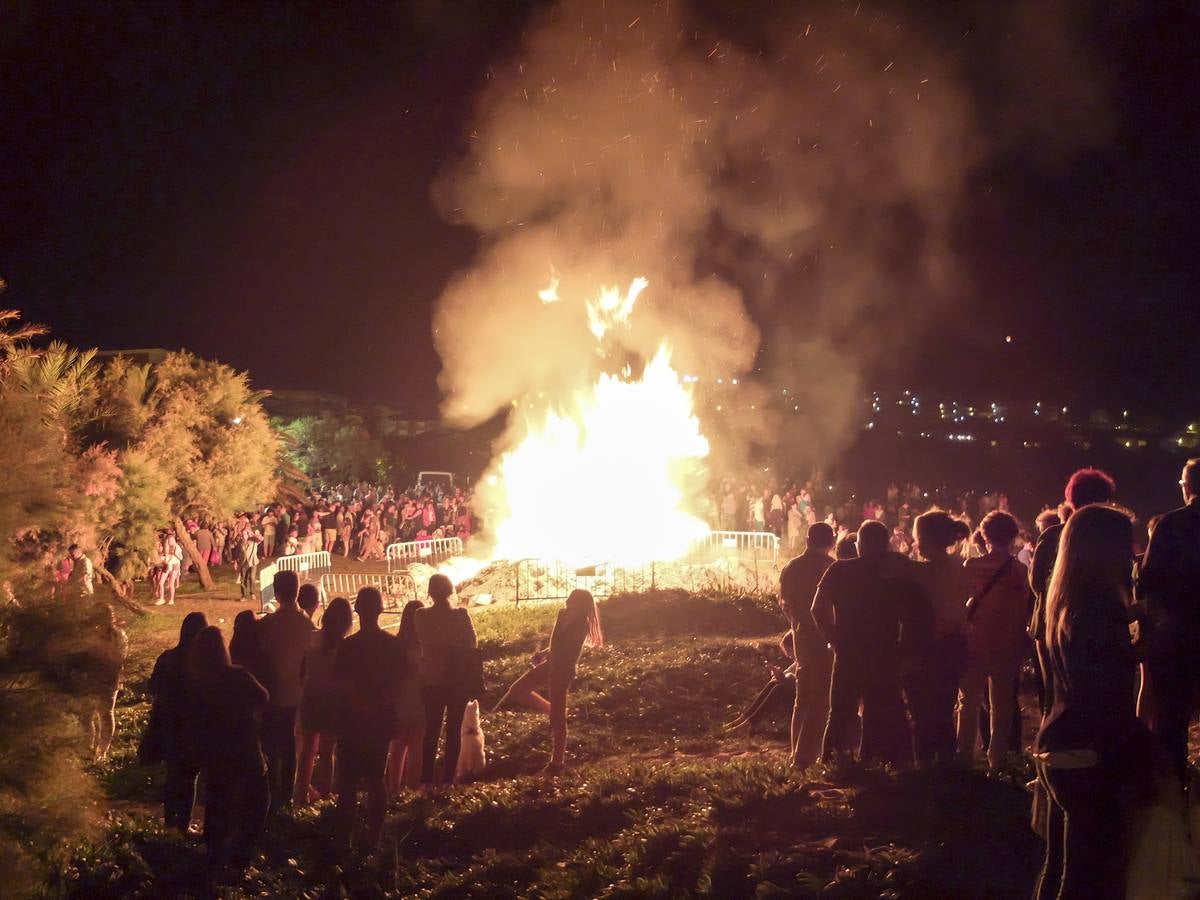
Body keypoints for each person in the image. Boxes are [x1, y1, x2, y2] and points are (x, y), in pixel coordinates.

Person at [1031, 504, 1149, 900]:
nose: (1131, 555)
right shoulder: (1101, 607)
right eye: (1125, 545)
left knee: (1058, 866)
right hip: (1090, 751)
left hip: (1057, 743)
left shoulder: (1063, 599)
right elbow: (1104, 680)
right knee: (1088, 876)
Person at [811, 520, 920, 766]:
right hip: (885, 652)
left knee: (839, 712)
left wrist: (833, 638)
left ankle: (832, 765)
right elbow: (911, 614)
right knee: (878, 711)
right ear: (885, 544)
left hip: (848, 651)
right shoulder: (896, 574)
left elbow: (817, 608)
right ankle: (873, 761)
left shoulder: (839, 570)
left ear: (860, 544)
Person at [1029, 469, 1116, 715]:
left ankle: (1049, 745)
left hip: (1051, 621)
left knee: (1052, 690)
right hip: (1096, 623)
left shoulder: (1053, 534)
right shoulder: (1112, 535)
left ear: (1071, 498)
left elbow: (1036, 582)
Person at [188, 625, 270, 880]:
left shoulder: (200, 684)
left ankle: (214, 859)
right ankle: (240, 859)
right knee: (258, 803)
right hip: (246, 751)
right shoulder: (238, 677)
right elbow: (264, 697)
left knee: (217, 804)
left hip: (217, 754)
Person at [1136, 458, 1200, 780]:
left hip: (1178, 637)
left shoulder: (1170, 525)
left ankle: (1172, 793)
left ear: (1187, 486)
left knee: (1172, 723)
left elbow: (1148, 580)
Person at [491, 589, 603, 772]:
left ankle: (557, 762)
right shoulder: (563, 614)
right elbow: (556, 644)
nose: (567, 601)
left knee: (558, 720)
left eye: (572, 600)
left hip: (563, 671)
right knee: (517, 690)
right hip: (550, 665)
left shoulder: (581, 625)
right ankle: (553, 709)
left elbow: (568, 653)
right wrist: (543, 655)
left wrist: (551, 663)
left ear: (581, 606)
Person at [959, 510, 1032, 770]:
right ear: (1012, 536)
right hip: (1007, 644)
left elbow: (962, 603)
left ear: (985, 535)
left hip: (975, 641)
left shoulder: (972, 566)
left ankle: (964, 757)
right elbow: (1024, 608)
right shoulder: (1019, 570)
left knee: (968, 703)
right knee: (1001, 705)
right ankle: (997, 761)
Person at [333, 588, 398, 850]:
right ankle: (374, 834)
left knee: (348, 781)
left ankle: (345, 837)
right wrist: (377, 704)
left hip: (351, 718)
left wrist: (360, 704)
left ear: (357, 610)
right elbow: (398, 683)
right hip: (380, 719)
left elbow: (342, 681)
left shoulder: (347, 646)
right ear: (380, 610)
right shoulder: (392, 645)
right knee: (375, 776)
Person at [907, 511, 971, 768]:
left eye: (918, 538)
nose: (916, 544)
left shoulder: (923, 573)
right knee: (944, 707)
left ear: (927, 538)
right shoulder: (960, 566)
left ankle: (925, 764)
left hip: (930, 647)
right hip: (955, 645)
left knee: (923, 710)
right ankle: (945, 763)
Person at [256, 570, 315, 813]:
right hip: (296, 693)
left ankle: (269, 793)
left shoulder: (267, 624)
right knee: (290, 747)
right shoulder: (307, 625)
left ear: (276, 592)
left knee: (271, 745)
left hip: (271, 693)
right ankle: (285, 797)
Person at [779, 522, 836, 767]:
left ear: (807, 539)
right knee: (824, 698)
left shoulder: (791, 568)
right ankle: (810, 756)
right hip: (828, 639)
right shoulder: (832, 568)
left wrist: (796, 624)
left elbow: (784, 603)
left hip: (802, 638)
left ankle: (796, 753)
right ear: (831, 542)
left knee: (802, 699)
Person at [415, 574, 478, 783]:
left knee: (431, 729)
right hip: (457, 679)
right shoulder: (461, 616)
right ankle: (448, 779)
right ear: (451, 591)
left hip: (431, 679)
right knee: (453, 730)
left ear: (430, 592)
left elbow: (427, 640)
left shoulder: (421, 616)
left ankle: (426, 779)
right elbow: (472, 643)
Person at [148, 611, 207, 832]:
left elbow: (152, 687)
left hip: (169, 725)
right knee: (190, 776)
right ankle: (182, 822)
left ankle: (170, 820)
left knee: (174, 773)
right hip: (193, 727)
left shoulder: (167, 658)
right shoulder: (203, 663)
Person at [294, 597, 352, 806]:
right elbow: (345, 678)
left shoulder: (311, 638)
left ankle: (299, 796)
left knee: (307, 751)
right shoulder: (344, 647)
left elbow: (301, 670)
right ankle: (326, 795)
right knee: (328, 752)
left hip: (311, 696)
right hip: (332, 700)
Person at [386, 600, 426, 796]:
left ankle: (393, 787)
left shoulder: (395, 644)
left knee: (398, 744)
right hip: (418, 696)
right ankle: (411, 788)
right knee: (416, 745)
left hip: (399, 696)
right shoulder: (423, 644)